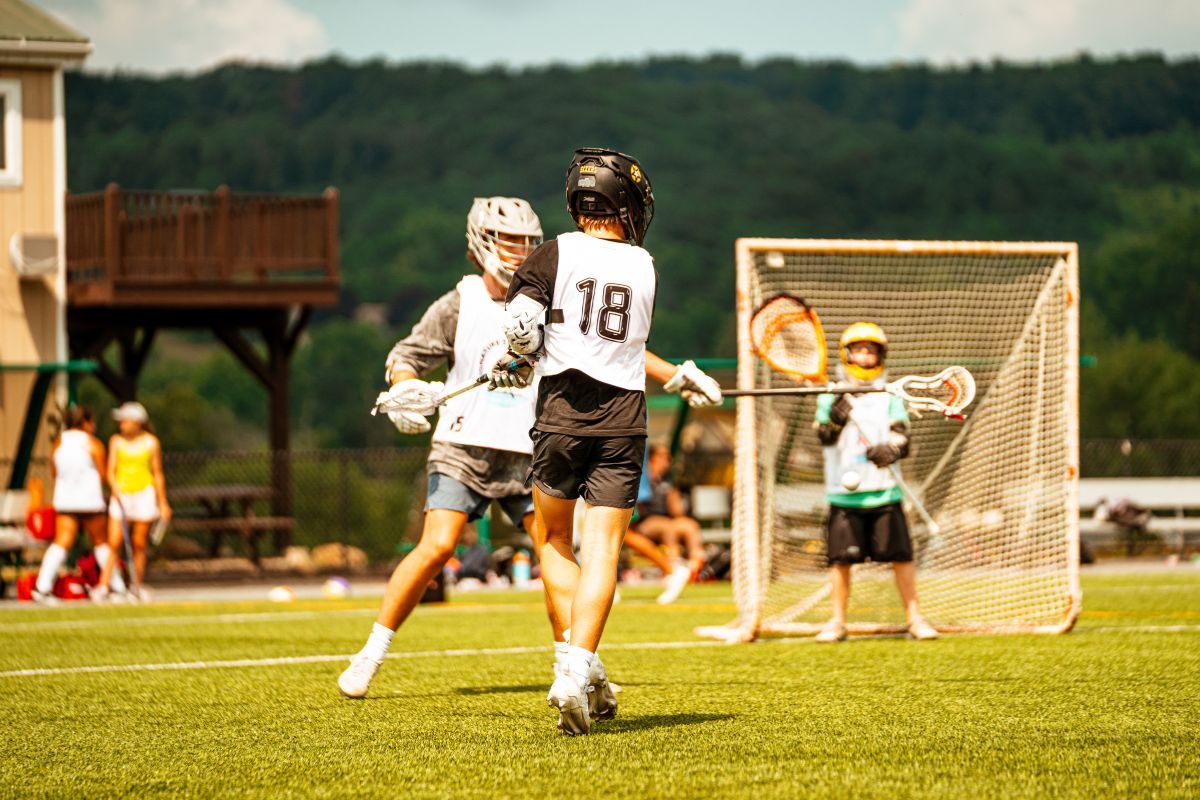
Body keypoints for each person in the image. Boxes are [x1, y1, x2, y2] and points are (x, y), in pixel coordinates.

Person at [492, 147, 722, 735]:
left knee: (552, 541)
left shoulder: (554, 252)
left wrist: (513, 359)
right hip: (623, 419)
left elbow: (524, 327)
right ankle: (580, 671)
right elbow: (619, 347)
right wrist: (678, 375)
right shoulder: (644, 266)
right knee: (605, 553)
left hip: (563, 414)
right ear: (625, 203)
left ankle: (575, 659)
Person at [338, 196, 546, 699]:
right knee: (436, 547)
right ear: (482, 244)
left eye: (526, 242)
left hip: (527, 448)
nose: (518, 251)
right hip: (461, 444)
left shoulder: (545, 305)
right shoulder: (460, 302)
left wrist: (673, 375)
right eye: (508, 240)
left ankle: (580, 663)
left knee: (556, 552)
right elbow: (405, 357)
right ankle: (371, 653)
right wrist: (408, 387)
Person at [813, 322, 937, 642]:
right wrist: (836, 420)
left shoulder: (890, 395)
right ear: (848, 353)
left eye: (872, 349)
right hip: (843, 494)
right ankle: (837, 622)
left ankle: (915, 618)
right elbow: (823, 437)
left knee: (901, 557)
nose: (866, 355)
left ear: (881, 355)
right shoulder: (831, 396)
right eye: (859, 349)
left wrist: (891, 450)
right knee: (840, 561)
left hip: (884, 492)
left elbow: (903, 439)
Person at [31, 406, 125, 604]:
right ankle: (117, 586)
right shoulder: (92, 444)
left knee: (61, 543)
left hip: (65, 500)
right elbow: (102, 473)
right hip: (89, 500)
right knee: (101, 542)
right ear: (85, 422)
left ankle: (42, 587)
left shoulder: (59, 443)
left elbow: (55, 472)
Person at [94, 401, 170, 601]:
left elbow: (157, 473)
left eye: (125, 420)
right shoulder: (116, 441)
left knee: (138, 543)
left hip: (144, 493)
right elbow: (110, 471)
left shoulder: (151, 442)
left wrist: (162, 502)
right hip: (122, 494)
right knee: (114, 542)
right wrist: (115, 487)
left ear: (137, 422)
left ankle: (136, 584)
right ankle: (103, 585)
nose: (121, 424)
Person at [635, 443, 705, 604]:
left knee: (689, 525)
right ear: (651, 459)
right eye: (662, 457)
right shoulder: (644, 478)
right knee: (668, 528)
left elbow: (677, 512)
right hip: (646, 521)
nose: (667, 461)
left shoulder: (667, 480)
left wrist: (673, 494)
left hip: (666, 519)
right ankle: (674, 568)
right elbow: (640, 509)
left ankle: (695, 565)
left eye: (668, 457)